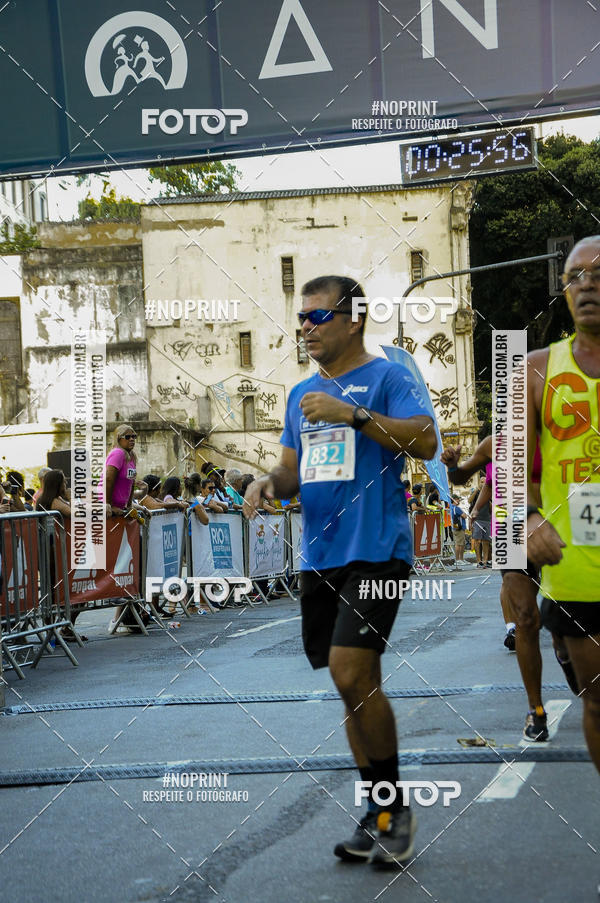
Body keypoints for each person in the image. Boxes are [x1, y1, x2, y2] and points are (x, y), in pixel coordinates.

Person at [244, 274, 436, 868]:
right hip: (321, 555)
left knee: (354, 671)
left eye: (317, 316)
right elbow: (291, 473)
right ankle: (380, 811)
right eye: (301, 318)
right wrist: (267, 482)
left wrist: (352, 413)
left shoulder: (389, 377)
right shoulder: (301, 393)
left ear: (354, 319)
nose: (305, 327)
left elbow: (426, 440)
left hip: (376, 548)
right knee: (348, 684)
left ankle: (395, 811)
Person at [526, 236, 600, 772]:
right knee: (597, 701)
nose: (587, 285)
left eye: (599, 275)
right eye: (575, 276)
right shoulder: (533, 368)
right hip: (575, 566)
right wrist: (528, 519)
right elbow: (510, 465)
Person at [442, 435, 552, 741]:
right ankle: (536, 710)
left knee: (562, 626)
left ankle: (566, 654)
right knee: (526, 618)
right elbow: (463, 476)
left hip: (555, 521)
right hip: (510, 530)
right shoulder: (496, 443)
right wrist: (453, 466)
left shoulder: (558, 435)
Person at [35, 470, 89, 642]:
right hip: (54, 552)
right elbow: (76, 513)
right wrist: (72, 496)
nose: (66, 485)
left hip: (54, 550)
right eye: (64, 482)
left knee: (58, 591)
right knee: (61, 591)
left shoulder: (47, 499)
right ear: (57, 485)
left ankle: (59, 629)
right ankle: (58, 629)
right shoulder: (54, 501)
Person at [100, 425, 139, 635]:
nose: (132, 439)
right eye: (128, 436)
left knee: (124, 564)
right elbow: (109, 479)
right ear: (119, 438)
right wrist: (107, 505)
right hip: (110, 511)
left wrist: (130, 505)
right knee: (110, 563)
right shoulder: (117, 454)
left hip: (122, 511)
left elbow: (130, 484)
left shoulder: (132, 457)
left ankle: (120, 616)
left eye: (134, 436)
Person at [450, 495, 467, 564]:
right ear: (454, 500)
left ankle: (461, 559)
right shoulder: (456, 508)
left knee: (461, 543)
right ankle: (458, 560)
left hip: (456, 527)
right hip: (459, 528)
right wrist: (464, 514)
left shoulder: (451, 507)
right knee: (459, 544)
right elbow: (464, 516)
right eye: (457, 499)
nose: (459, 501)